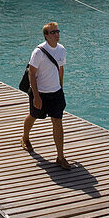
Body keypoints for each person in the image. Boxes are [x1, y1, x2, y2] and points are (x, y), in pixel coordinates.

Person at [21, 22, 71, 169]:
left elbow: (60, 69)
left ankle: (60, 157)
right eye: (53, 32)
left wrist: (61, 87)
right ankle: (25, 137)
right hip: (41, 93)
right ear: (46, 36)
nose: (57, 34)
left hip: (56, 93)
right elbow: (32, 73)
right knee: (33, 115)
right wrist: (36, 96)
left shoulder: (61, 50)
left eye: (57, 31)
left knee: (57, 121)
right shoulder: (38, 52)